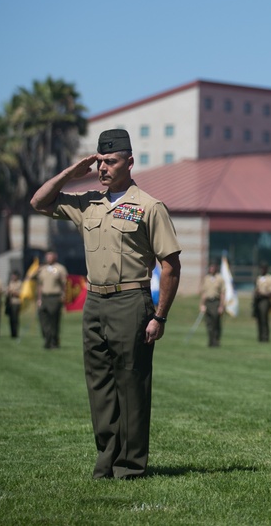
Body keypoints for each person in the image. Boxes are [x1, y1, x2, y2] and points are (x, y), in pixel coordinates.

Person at [31, 128, 181, 480]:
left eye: (110, 162)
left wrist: (160, 316)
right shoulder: (88, 203)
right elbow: (39, 202)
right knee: (99, 386)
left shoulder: (149, 206)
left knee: (131, 385)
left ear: (129, 163)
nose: (103, 168)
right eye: (99, 162)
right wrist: (72, 172)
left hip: (132, 300)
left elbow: (171, 265)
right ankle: (106, 462)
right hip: (94, 302)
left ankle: (130, 466)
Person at [35, 251, 68, 349]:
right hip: (44, 297)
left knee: (53, 320)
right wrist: (39, 298)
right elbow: (40, 285)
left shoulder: (60, 269)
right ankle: (47, 337)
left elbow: (64, 284)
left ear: (55, 256)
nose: (48, 257)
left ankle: (54, 341)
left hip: (55, 297)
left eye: (50, 255)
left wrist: (63, 295)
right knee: (43, 319)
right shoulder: (42, 269)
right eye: (47, 255)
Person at [200, 262, 226, 347]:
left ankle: (216, 340)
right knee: (209, 323)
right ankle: (211, 341)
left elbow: (222, 293)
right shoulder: (206, 278)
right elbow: (204, 292)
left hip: (216, 302)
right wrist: (202, 304)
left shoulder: (220, 278)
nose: (211, 269)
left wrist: (221, 306)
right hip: (208, 302)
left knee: (215, 322)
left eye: (213, 267)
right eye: (210, 267)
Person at [253, 263, 271, 343]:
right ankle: (260, 336)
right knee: (259, 319)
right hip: (258, 300)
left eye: (263, 268)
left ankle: (265, 336)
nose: (262, 270)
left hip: (265, 300)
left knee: (264, 319)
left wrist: (262, 293)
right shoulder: (259, 278)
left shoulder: (269, 279)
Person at [6, 270, 23, 339]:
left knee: (15, 319)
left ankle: (16, 333)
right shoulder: (10, 283)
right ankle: (12, 333)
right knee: (11, 319)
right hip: (10, 303)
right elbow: (7, 291)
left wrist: (13, 292)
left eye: (14, 275)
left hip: (16, 302)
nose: (13, 277)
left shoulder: (20, 283)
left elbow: (21, 294)